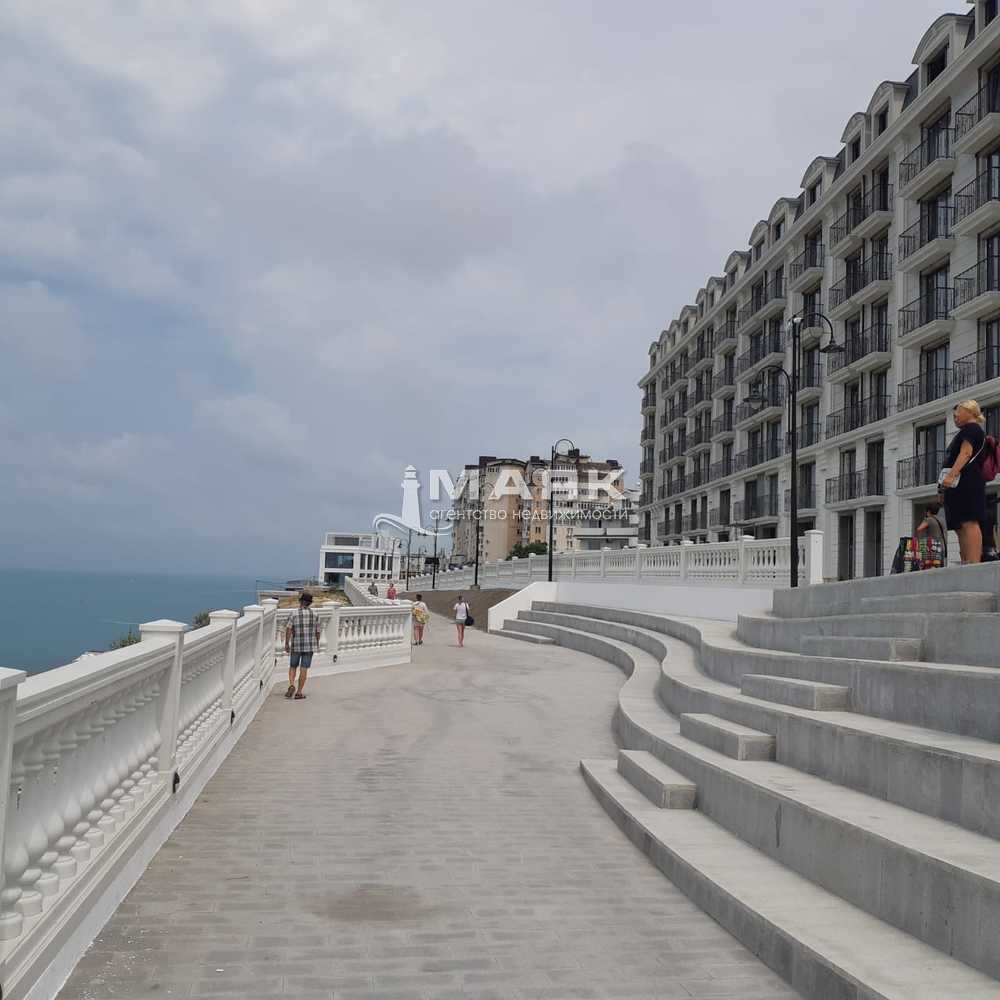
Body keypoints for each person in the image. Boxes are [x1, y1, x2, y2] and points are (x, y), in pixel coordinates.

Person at [940, 399, 988, 565]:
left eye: (957, 413)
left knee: (969, 521)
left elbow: (966, 453)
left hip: (967, 480)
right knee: (960, 524)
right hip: (959, 482)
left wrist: (951, 475)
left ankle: (973, 562)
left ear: (969, 411)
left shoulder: (972, 429)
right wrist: (943, 487)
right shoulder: (967, 431)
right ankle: (966, 561)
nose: (955, 418)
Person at [284, 592, 321, 701]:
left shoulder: (294, 614)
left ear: (300, 602)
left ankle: (292, 685)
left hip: (296, 645)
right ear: (310, 603)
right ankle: (299, 692)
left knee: (293, 666)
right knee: (304, 668)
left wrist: (286, 643)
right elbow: (318, 631)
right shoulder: (315, 615)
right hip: (310, 646)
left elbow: (289, 629)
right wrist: (316, 642)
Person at [914, 499, 947, 568]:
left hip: (932, 548)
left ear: (928, 511)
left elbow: (919, 529)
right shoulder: (942, 520)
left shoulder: (929, 519)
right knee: (940, 567)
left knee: (930, 567)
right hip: (942, 546)